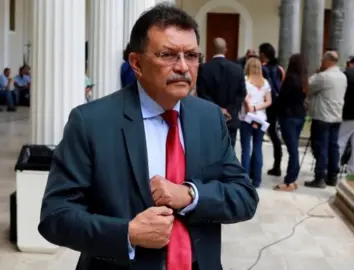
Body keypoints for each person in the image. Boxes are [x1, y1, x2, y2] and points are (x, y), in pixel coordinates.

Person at [38, 4, 259, 270]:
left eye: (191, 55)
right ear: (136, 63)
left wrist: (191, 195)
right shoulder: (91, 123)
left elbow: (244, 196)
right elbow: (56, 216)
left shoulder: (209, 118)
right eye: (167, 55)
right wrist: (127, 233)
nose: (182, 67)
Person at [305, 51, 347, 188]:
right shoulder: (342, 76)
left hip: (322, 116)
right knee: (333, 147)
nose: (321, 63)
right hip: (336, 116)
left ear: (328, 61)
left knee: (321, 147)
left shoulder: (323, 77)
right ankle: (332, 176)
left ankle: (319, 177)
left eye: (323, 60)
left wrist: (317, 73)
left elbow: (307, 88)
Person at [196, 37, 246, 148]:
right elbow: (242, 93)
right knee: (228, 152)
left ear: (212, 49)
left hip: (210, 118)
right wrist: (229, 109)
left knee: (210, 151)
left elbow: (202, 93)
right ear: (225, 50)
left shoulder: (204, 69)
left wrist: (218, 109)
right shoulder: (237, 69)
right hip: (231, 118)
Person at [274, 54, 308, 191]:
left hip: (288, 116)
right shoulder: (303, 80)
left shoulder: (290, 79)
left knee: (292, 149)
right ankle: (291, 177)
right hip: (299, 115)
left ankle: (290, 179)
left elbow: (283, 98)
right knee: (293, 148)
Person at [239, 57, 272, 188]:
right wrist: (258, 107)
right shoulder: (265, 82)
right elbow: (269, 101)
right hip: (261, 119)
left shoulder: (245, 81)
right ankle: (257, 180)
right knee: (257, 148)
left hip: (246, 118)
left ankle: (245, 178)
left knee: (246, 149)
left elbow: (245, 100)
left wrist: (251, 107)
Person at [258, 43, 285, 176]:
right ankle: (277, 165)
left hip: (264, 105)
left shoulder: (262, 69)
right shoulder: (280, 69)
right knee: (275, 136)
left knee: (259, 136)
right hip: (277, 105)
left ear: (263, 54)